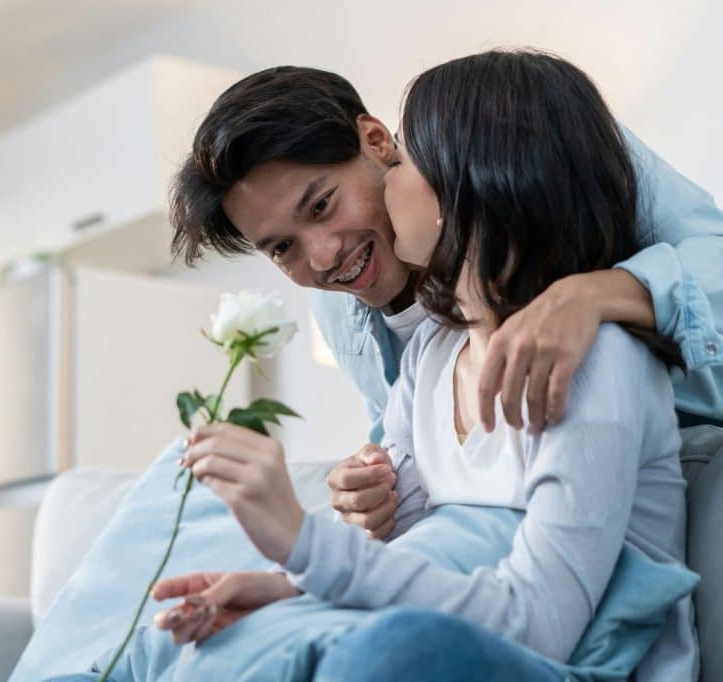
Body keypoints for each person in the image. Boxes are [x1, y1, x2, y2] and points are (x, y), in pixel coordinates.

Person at [153, 50, 699, 681]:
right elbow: (419, 560)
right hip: (464, 636)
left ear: (474, 179)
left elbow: (535, 618)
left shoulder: (590, 356)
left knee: (382, 653)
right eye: (283, 249)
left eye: (407, 159)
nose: (324, 258)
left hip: (555, 656)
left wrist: (300, 539)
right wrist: (291, 584)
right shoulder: (427, 356)